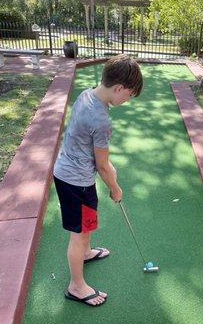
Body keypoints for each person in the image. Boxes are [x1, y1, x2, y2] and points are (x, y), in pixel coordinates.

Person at [53, 54, 143, 307]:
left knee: (87, 222)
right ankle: (76, 286)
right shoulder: (101, 120)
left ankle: (87, 252)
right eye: (129, 95)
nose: (127, 100)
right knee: (79, 233)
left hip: (77, 176)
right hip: (74, 181)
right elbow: (103, 165)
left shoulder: (87, 94)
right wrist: (115, 188)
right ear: (118, 88)